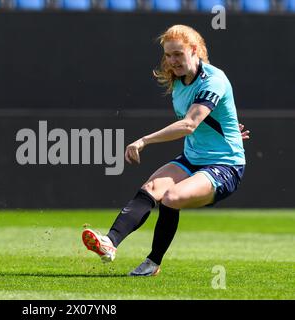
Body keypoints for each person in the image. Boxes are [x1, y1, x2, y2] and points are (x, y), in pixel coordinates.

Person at [82, 24, 250, 276]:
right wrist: (227, 128)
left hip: (225, 165)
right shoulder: (179, 81)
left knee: (171, 198)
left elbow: (189, 124)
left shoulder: (214, 80)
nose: (172, 61)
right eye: (168, 55)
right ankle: (109, 243)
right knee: (151, 189)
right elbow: (210, 119)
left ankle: (152, 262)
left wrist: (143, 141)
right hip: (193, 158)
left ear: (194, 51)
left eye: (178, 54)